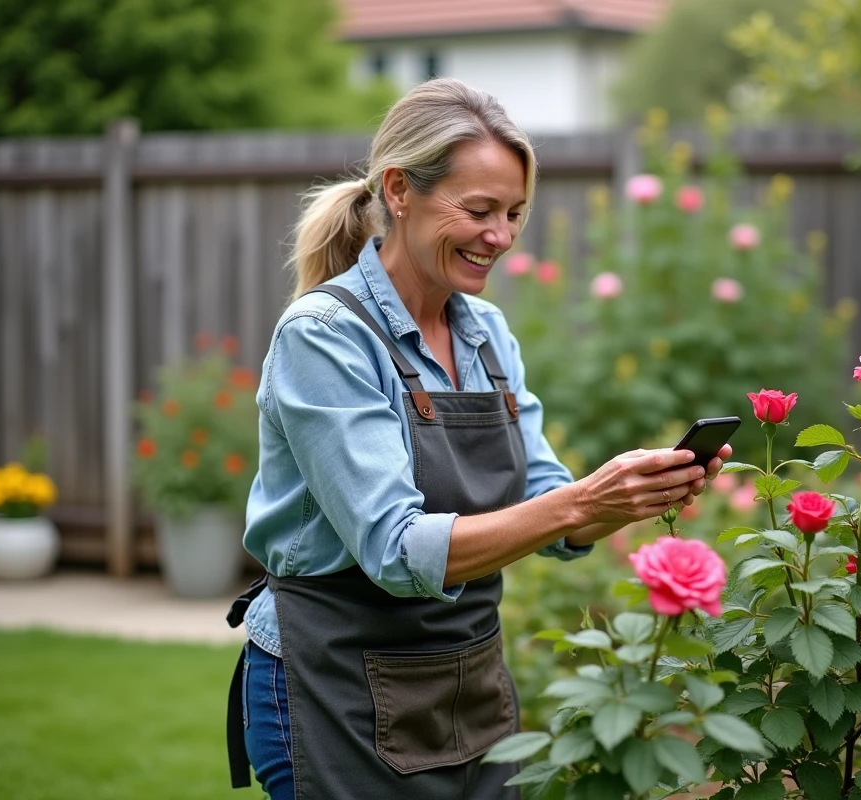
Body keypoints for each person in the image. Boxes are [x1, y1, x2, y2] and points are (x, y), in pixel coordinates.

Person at [224, 78, 730, 800]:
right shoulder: (326, 338)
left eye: (516, 213)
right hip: (331, 679)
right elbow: (395, 550)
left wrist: (631, 494)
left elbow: (547, 502)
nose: (501, 236)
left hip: (467, 678)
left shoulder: (486, 333)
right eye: (480, 210)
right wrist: (580, 505)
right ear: (399, 190)